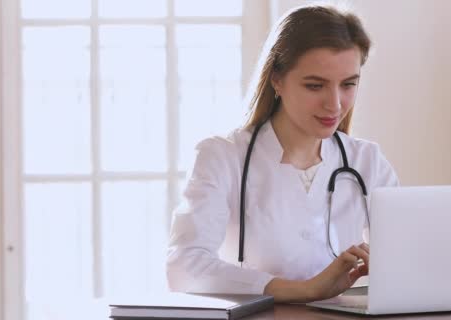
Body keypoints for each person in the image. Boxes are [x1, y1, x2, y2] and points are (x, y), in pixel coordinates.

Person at [166, 4, 399, 303]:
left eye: (348, 85)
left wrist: (386, 266)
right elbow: (183, 267)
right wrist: (302, 290)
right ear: (277, 79)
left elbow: (407, 259)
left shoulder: (367, 161)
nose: (335, 105)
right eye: (315, 85)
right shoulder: (222, 157)